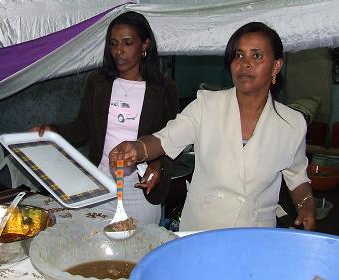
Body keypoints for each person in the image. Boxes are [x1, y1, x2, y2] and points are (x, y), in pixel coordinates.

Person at [109, 22, 316, 231]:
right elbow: (164, 139)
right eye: (238, 55)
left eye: (257, 56)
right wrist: (137, 148)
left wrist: (306, 207)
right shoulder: (206, 105)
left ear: (276, 66)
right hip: (201, 229)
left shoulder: (291, 124)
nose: (245, 64)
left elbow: (298, 178)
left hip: (253, 235)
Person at [30, 11, 179, 225]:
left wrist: (157, 165)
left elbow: (172, 139)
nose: (119, 51)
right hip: (100, 180)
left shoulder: (164, 89)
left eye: (128, 43)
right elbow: (82, 127)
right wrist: (53, 130)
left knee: (138, 250)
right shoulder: (98, 83)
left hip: (140, 186)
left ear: (145, 45)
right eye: (113, 43)